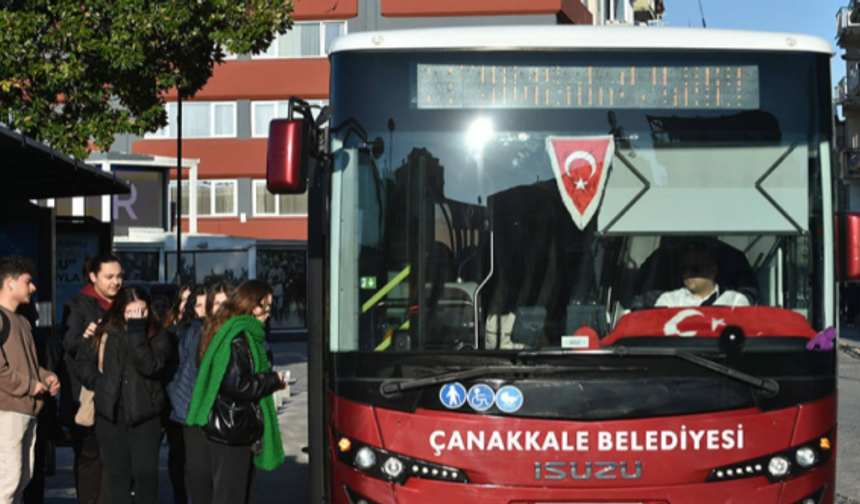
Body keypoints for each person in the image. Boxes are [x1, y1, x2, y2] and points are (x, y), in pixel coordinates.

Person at [186, 280, 286, 504]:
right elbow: (238, 383)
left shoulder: (242, 332)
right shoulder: (238, 336)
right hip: (232, 428)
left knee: (242, 493)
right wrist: (272, 380)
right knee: (231, 495)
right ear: (252, 305)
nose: (269, 313)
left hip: (237, 427)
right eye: (266, 306)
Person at [75, 286, 171, 504]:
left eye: (142, 311)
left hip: (145, 415)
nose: (137, 316)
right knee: (117, 478)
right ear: (120, 310)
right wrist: (100, 384)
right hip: (111, 414)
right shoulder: (106, 331)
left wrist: (136, 331)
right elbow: (82, 362)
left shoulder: (158, 335)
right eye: (131, 312)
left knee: (145, 478)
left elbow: (148, 365)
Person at [60, 253, 122, 504]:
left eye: (119, 276)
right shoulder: (77, 304)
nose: (116, 282)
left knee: (114, 459)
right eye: (109, 277)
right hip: (86, 395)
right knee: (89, 456)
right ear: (93, 277)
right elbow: (70, 344)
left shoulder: (125, 302)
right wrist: (88, 339)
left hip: (119, 395)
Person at [0, 255, 60, 504]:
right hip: (7, 412)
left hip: (27, 411)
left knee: (20, 480)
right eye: (28, 281)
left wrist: (46, 376)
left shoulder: (22, 321)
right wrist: (30, 385)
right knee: (8, 482)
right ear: (10, 283)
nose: (33, 287)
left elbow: (28, 365)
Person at [168, 282, 234, 504]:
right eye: (215, 304)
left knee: (222, 481)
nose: (218, 309)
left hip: (223, 415)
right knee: (199, 478)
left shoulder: (235, 332)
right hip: (194, 413)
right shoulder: (195, 333)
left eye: (223, 303)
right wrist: (180, 400)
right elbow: (182, 371)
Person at [162, 283, 205, 504]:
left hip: (189, 402)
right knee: (178, 454)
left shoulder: (200, 330)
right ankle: (180, 496)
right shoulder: (175, 332)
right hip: (177, 402)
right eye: (187, 300)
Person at [654, 243, 750, 308]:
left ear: (713, 270)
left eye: (694, 269)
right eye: (684, 269)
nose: (688, 273)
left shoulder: (735, 301)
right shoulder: (669, 301)